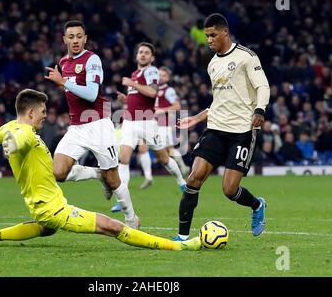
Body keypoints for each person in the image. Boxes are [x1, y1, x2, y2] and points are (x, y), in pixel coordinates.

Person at [0, 89, 201, 251]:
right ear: (31, 112)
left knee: (45, 228)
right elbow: (21, 138)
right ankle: (180, 247)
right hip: (55, 209)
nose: (45, 116)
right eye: (43, 112)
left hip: (40, 206)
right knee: (113, 227)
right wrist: (14, 145)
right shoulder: (22, 132)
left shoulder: (9, 127)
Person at [173, 13, 269, 240]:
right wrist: (197, 118)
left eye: (213, 35)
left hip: (242, 131)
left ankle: (257, 205)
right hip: (216, 129)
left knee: (229, 190)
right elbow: (219, 101)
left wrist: (260, 109)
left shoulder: (247, 57)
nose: (208, 40)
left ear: (225, 32)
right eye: (207, 36)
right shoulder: (213, 64)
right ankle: (182, 238)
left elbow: (263, 86)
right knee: (194, 178)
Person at [44, 21, 139, 228]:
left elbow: (91, 93)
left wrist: (64, 82)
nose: (75, 40)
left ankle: (132, 219)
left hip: (98, 124)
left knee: (113, 179)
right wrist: (64, 85)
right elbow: (71, 94)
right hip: (77, 127)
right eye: (71, 37)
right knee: (58, 172)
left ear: (85, 38)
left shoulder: (92, 59)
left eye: (79, 36)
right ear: (64, 39)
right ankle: (97, 174)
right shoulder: (64, 62)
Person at [113, 42, 186, 212]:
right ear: (136, 56)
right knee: (123, 158)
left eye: (147, 52)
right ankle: (122, 199)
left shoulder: (151, 71)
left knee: (163, 157)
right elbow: (138, 95)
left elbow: (152, 92)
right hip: (130, 121)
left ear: (152, 57)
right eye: (140, 52)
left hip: (147, 121)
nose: (143, 54)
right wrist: (126, 99)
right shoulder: (135, 73)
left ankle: (182, 182)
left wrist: (132, 84)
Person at [137, 66, 190, 190]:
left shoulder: (168, 90)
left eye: (164, 75)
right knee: (145, 147)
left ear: (168, 78)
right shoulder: (151, 88)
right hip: (150, 124)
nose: (161, 77)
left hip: (162, 125)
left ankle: (182, 168)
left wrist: (162, 110)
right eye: (159, 74)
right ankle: (149, 177)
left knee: (166, 152)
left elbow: (177, 106)